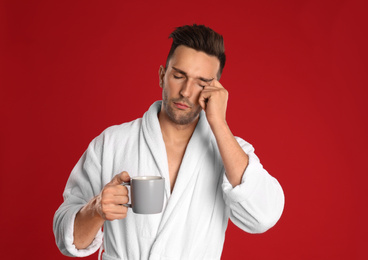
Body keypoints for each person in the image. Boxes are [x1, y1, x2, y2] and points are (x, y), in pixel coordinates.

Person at [53, 24, 284, 260]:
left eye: (201, 83)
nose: (185, 91)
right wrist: (96, 210)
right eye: (178, 76)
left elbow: (263, 216)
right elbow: (67, 239)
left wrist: (219, 125)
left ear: (215, 90)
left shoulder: (230, 152)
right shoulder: (112, 143)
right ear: (162, 75)